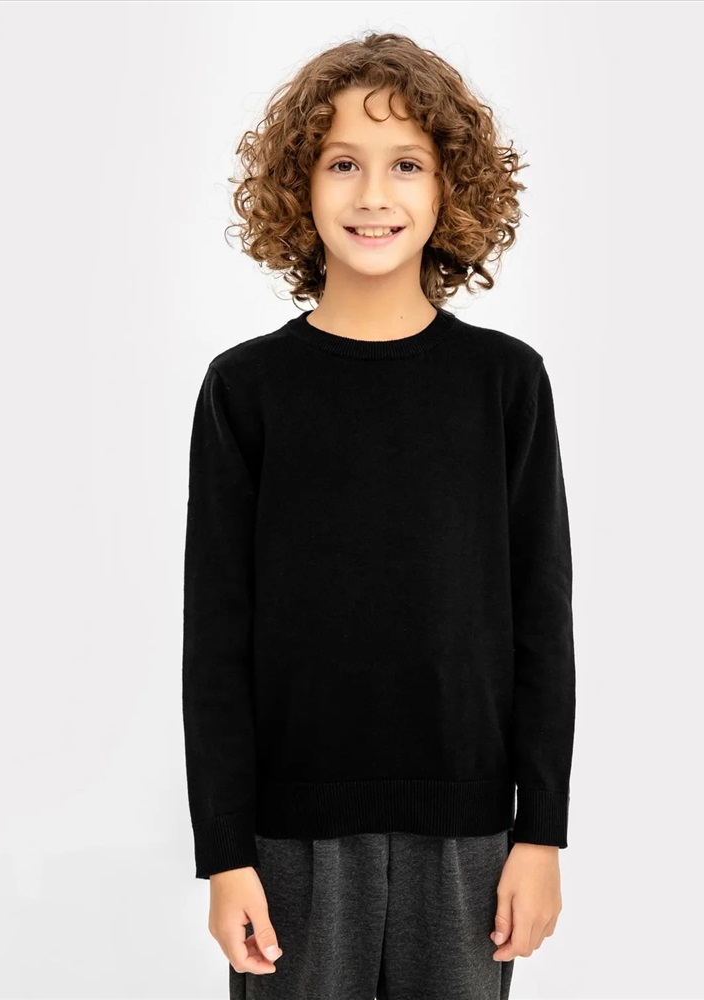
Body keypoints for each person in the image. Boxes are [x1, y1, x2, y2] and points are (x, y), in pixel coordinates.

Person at [182, 30, 576, 1000]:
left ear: (449, 188)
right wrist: (225, 852)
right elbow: (215, 638)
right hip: (289, 843)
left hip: (471, 840)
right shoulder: (246, 390)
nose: (372, 194)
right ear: (299, 184)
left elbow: (542, 623)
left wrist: (541, 834)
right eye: (341, 163)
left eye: (406, 164)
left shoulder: (506, 384)